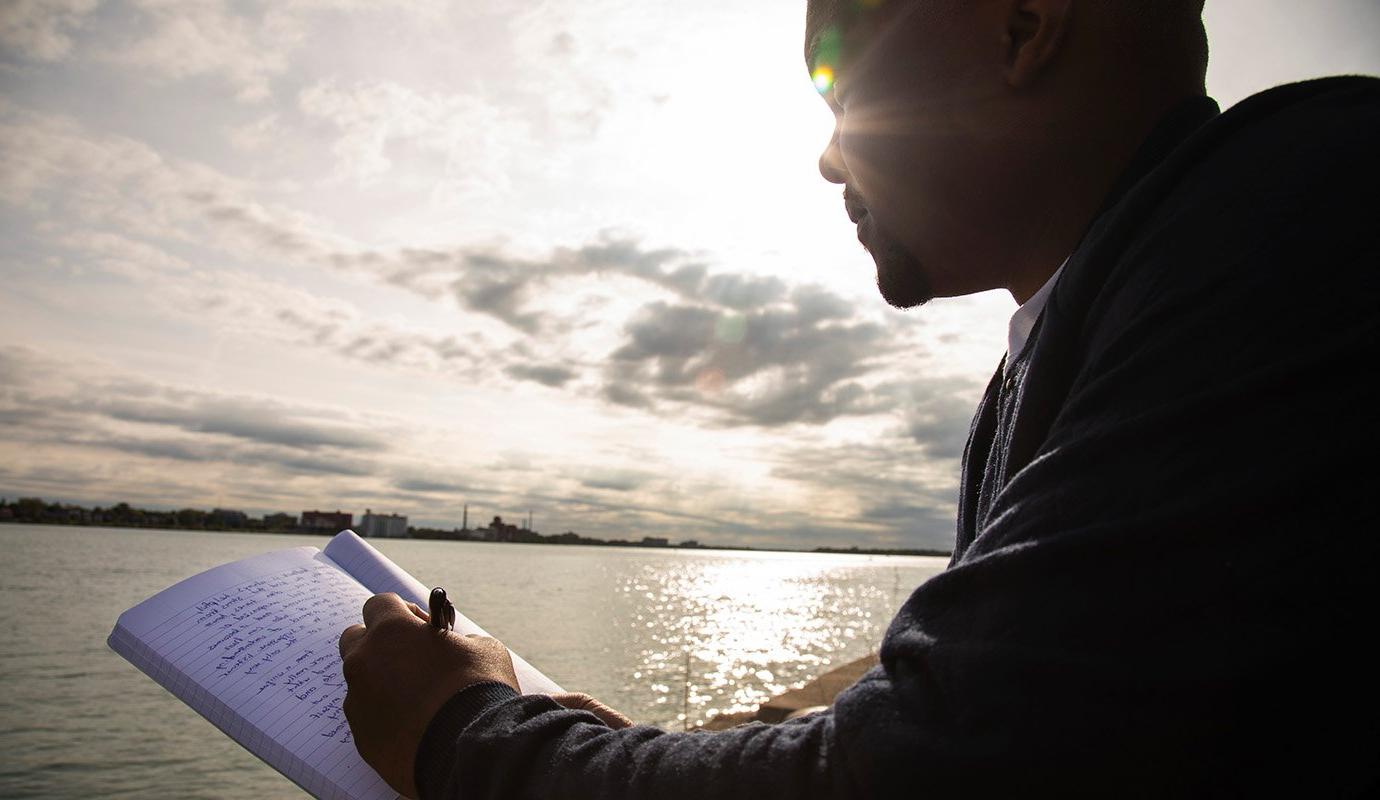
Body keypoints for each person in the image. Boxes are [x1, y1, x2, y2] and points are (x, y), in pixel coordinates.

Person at [337, 0, 1380, 796]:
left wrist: (463, 734)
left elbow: (935, 762)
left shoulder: (1302, 212)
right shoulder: (1100, 321)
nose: (830, 154)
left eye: (842, 92)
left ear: (1021, 27)